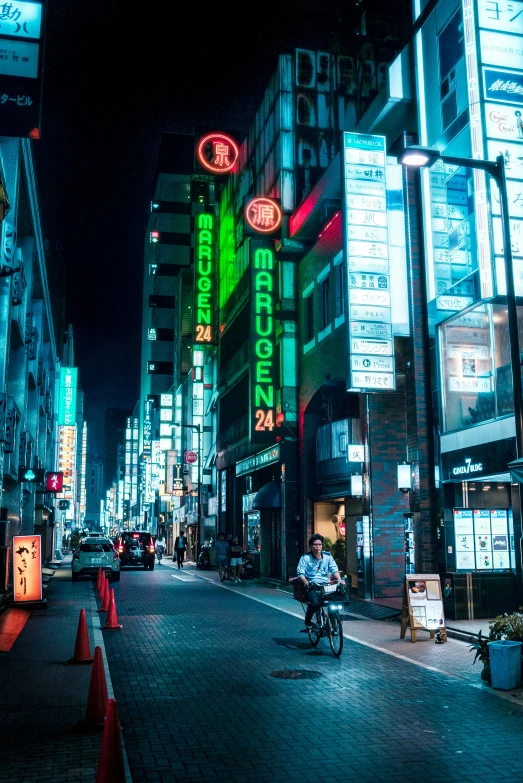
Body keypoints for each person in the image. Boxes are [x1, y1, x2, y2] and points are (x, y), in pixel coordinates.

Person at [297, 534, 343, 630]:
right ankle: (308, 619)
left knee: (336, 601)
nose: (318, 546)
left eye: (320, 544)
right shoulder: (305, 558)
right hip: (312, 586)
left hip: (326, 585)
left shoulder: (328, 556)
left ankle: (333, 618)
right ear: (310, 546)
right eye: (315, 544)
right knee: (314, 603)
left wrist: (339, 579)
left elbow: (334, 569)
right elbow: (300, 573)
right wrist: (305, 582)